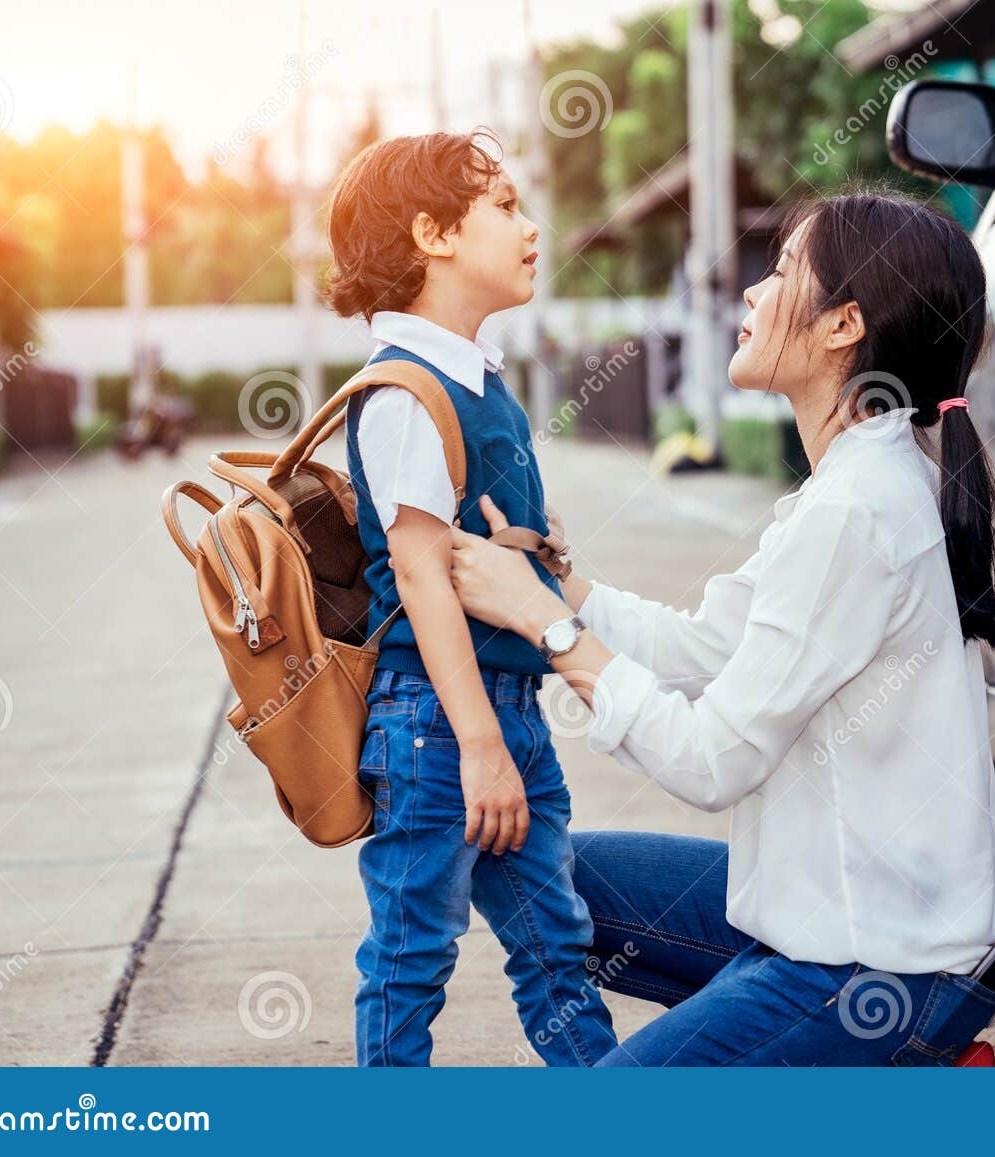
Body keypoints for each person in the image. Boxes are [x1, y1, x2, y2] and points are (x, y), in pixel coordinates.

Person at [450, 190, 995, 1065]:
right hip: (812, 914)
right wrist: (558, 587)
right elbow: (708, 647)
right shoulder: (851, 487)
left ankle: (895, 1061)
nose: (753, 295)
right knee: (526, 862)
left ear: (844, 327)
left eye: (784, 272)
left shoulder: (856, 512)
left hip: (878, 968)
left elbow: (712, 760)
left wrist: (546, 627)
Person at [324, 129, 616, 1067]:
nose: (532, 226)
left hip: (506, 717)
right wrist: (483, 748)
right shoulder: (406, 390)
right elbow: (420, 574)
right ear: (432, 235)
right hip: (439, 729)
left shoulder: (475, 381)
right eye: (504, 206)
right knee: (412, 957)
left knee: (558, 948)